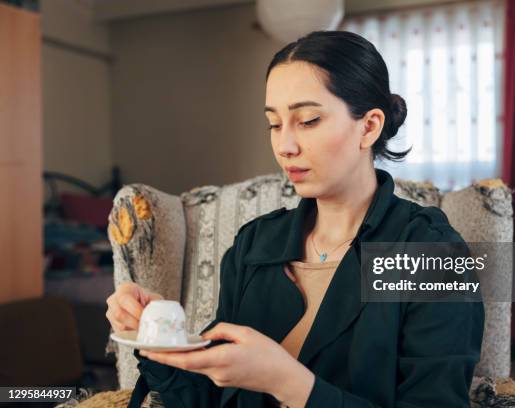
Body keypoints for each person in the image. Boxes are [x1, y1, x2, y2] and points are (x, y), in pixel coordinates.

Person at [106, 30, 484, 408]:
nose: (285, 146)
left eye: (307, 120)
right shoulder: (255, 244)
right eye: (274, 123)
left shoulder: (428, 253)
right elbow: (201, 399)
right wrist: (155, 332)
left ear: (368, 126)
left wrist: (287, 381)